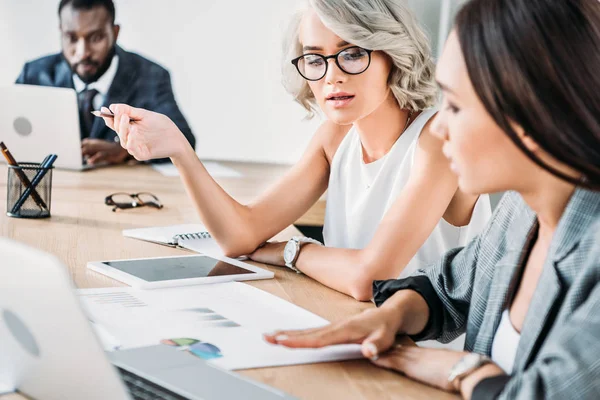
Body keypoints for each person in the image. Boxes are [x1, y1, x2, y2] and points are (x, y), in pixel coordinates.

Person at [264, 0, 600, 398]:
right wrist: (391, 315)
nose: (438, 128)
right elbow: (446, 288)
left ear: (532, 113)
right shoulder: (523, 211)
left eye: (455, 106)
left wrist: (460, 369)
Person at [99, 0, 491, 301]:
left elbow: (371, 278)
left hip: (424, 363)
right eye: (315, 57)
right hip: (351, 332)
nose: (332, 74)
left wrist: (291, 250)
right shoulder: (335, 138)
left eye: (352, 52)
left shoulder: (438, 139)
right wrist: (179, 149)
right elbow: (240, 237)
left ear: (391, 53)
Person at [16, 0, 195, 165]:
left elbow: (183, 141)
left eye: (95, 38)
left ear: (115, 33)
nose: (82, 52)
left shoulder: (151, 76)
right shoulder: (34, 74)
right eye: (71, 38)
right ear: (61, 33)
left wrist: (127, 151)